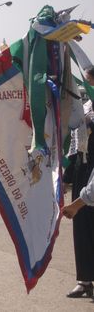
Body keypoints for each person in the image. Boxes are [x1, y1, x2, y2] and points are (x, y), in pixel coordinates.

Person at [61, 66, 94, 299]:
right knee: (81, 226)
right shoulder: (84, 108)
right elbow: (74, 145)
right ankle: (84, 280)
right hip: (83, 169)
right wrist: (66, 177)